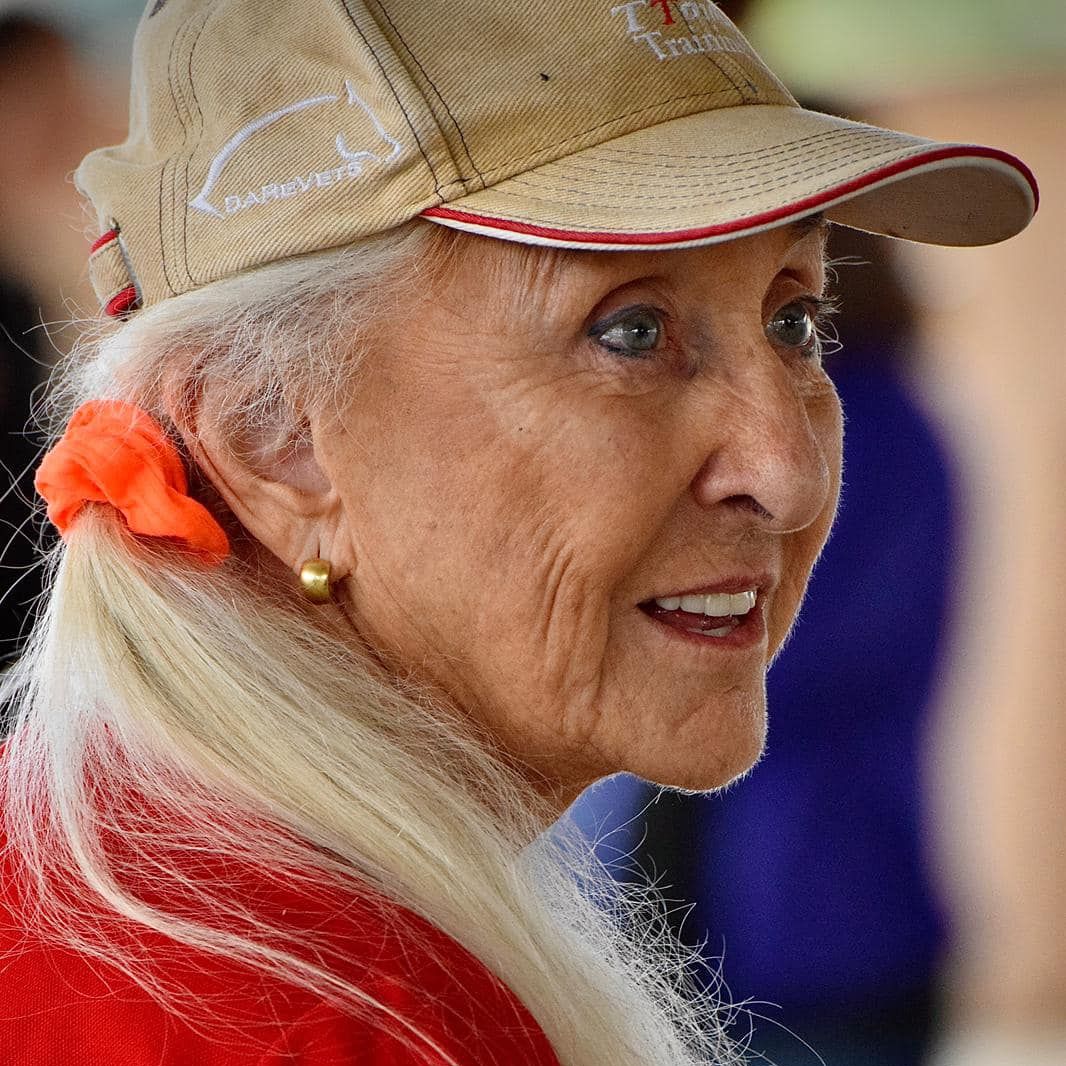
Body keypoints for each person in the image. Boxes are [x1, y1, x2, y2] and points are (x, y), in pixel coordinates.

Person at [0, 2, 1036, 1064]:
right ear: (275, 440)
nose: (788, 471)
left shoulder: (157, 896)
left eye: (793, 319)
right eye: (630, 330)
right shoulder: (333, 1018)